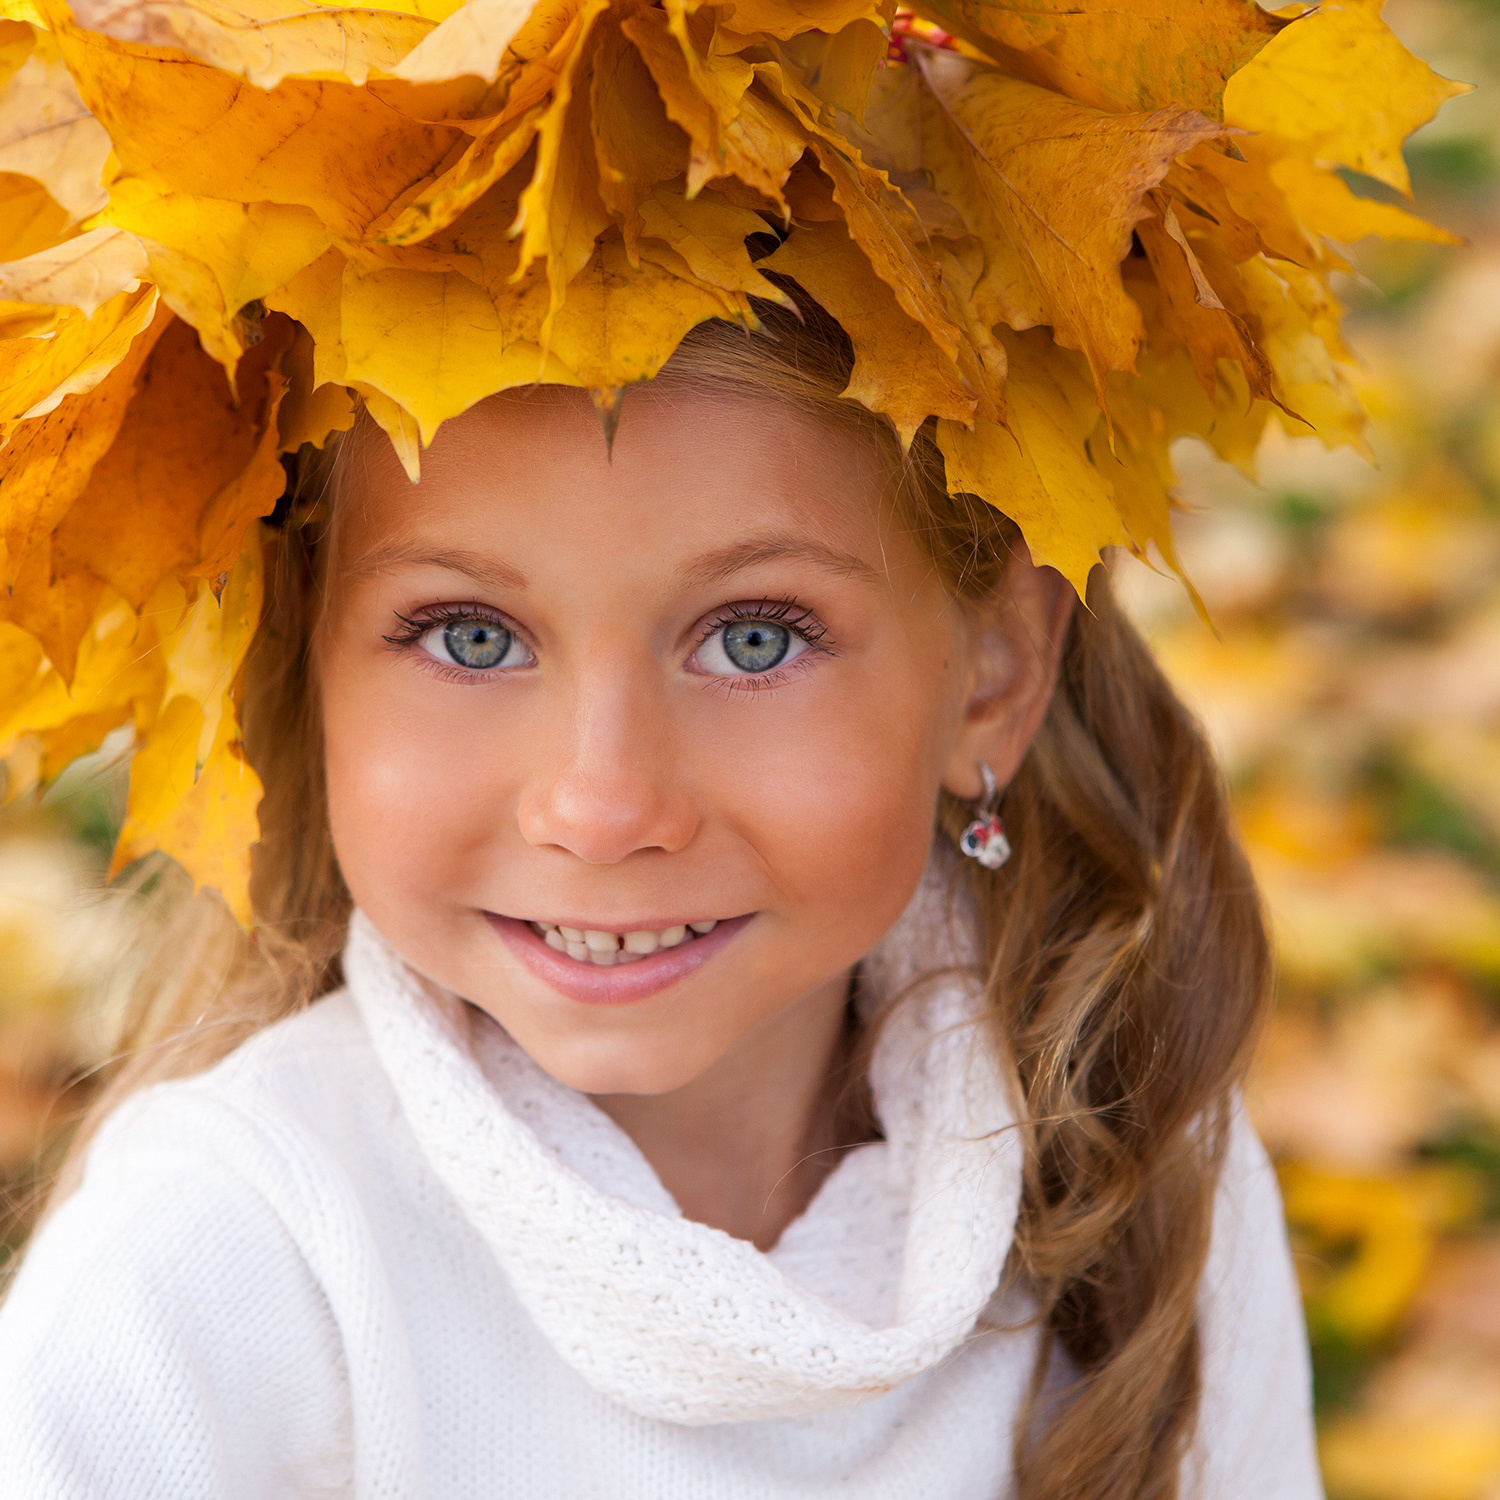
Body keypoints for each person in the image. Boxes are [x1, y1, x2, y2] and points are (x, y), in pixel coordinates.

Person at [0, 0, 1457, 1492]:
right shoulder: (221, 1267)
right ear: (301, 657)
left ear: (994, 672)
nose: (602, 803)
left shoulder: (1140, 1183)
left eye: (754, 639)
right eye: (471, 638)